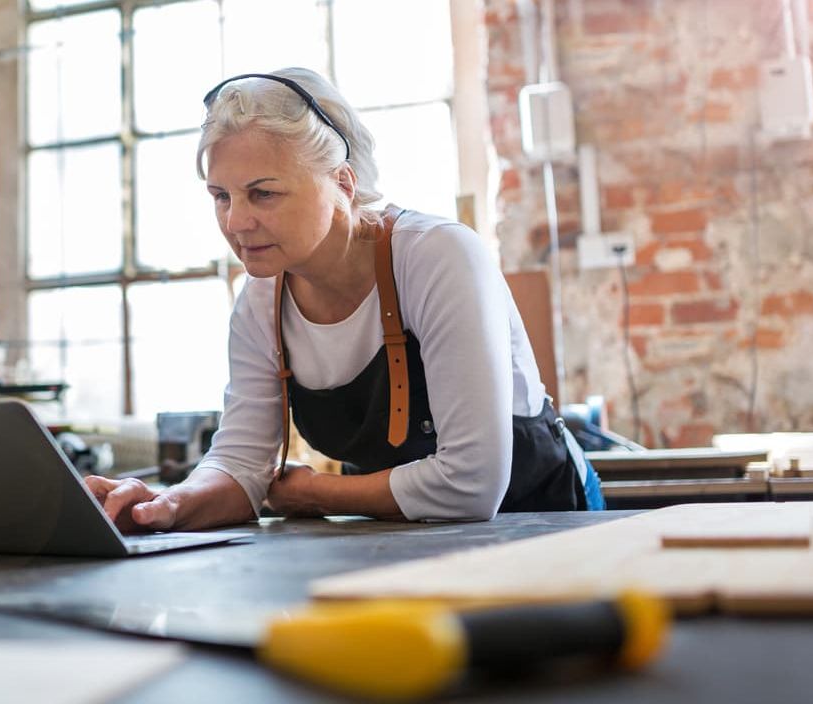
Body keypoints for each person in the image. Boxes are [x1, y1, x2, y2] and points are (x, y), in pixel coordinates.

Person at [85, 67, 604, 534]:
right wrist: (170, 504)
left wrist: (314, 493)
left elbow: (471, 484)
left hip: (544, 527)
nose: (236, 222)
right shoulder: (260, 301)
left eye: (263, 193)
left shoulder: (438, 256)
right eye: (222, 196)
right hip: (399, 541)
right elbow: (241, 466)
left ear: (343, 182)